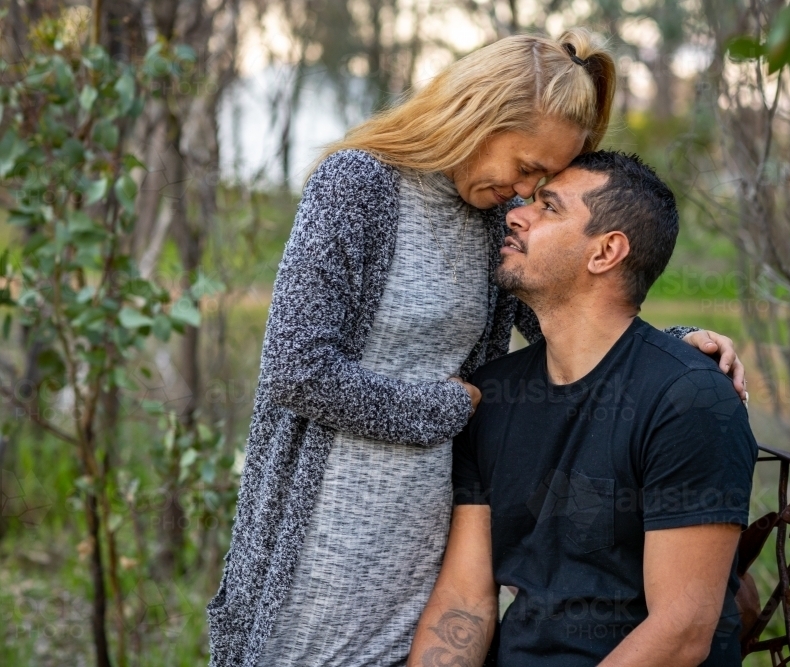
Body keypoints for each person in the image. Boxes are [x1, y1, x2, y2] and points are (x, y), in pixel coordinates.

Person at [207, 30, 747, 667]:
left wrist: (676, 352)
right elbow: (295, 370)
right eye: (525, 168)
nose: (523, 192)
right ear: (479, 116)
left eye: (542, 180)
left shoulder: (492, 218)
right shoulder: (360, 186)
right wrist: (447, 408)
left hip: (426, 554)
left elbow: (574, 318)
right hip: (320, 550)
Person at [409, 151, 758, 667]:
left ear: (606, 252)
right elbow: (465, 599)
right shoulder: (495, 394)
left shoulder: (690, 402)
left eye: (548, 207)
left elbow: (681, 632)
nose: (515, 213)